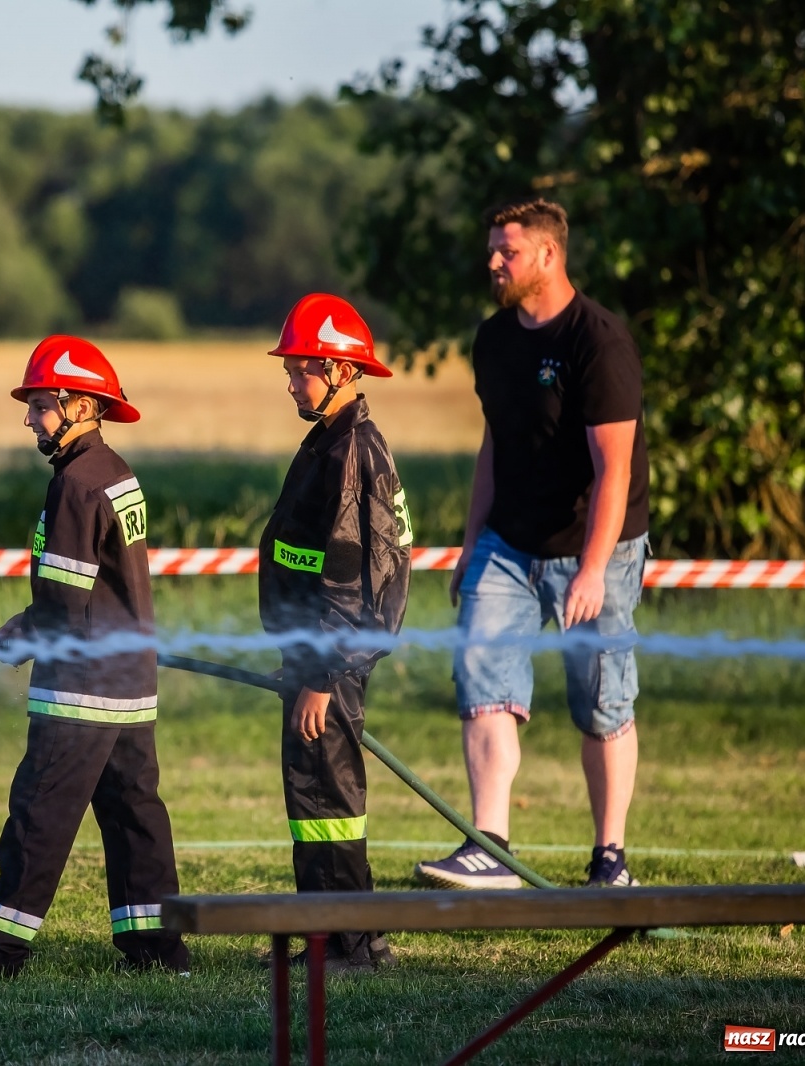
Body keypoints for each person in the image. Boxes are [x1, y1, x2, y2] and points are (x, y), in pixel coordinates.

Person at [0, 335, 189, 979]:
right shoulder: (116, 472)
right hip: (129, 684)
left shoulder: (74, 485)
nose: (28, 417)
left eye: (39, 404)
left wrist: (14, 638)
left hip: (80, 689)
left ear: (77, 405)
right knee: (135, 821)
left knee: (38, 816)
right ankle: (158, 952)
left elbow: (67, 605)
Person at [414, 197, 649, 890]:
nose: (492, 261)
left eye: (506, 251)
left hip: (595, 542)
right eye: (492, 248)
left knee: (601, 702)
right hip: (508, 543)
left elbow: (615, 470)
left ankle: (611, 859)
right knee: (482, 678)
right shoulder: (493, 341)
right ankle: (490, 846)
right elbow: (496, 445)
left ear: (548, 255)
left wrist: (594, 572)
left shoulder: (598, 342)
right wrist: (468, 545)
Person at [258, 293, 411, 972]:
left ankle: (352, 944)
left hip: (330, 665)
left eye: (302, 370)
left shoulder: (349, 450)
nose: (291, 381)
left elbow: (348, 581)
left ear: (341, 371)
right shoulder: (330, 441)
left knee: (332, 805)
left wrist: (322, 676)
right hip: (312, 658)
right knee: (313, 804)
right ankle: (331, 937)